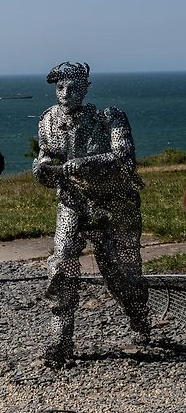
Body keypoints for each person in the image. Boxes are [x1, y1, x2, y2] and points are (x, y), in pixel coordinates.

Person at [32, 62, 149, 368]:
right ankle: (61, 339)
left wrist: (87, 164)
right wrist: (41, 169)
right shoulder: (48, 121)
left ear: (85, 89)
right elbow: (47, 157)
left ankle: (139, 320)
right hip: (73, 202)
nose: (66, 94)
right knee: (62, 262)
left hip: (115, 205)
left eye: (73, 88)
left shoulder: (109, 118)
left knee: (121, 272)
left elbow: (124, 159)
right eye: (61, 88)